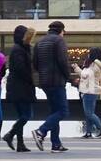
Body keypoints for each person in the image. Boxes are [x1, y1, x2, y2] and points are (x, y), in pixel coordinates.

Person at [31, 21, 73, 153]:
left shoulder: (40, 42)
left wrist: (44, 74)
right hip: (57, 81)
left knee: (55, 111)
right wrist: (69, 78)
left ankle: (56, 144)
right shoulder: (59, 41)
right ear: (61, 31)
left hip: (45, 82)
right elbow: (63, 62)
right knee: (63, 111)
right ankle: (41, 131)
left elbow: (35, 63)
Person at [2, 26, 35, 152]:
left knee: (22, 115)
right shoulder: (18, 50)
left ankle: (20, 144)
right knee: (27, 115)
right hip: (20, 87)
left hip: (18, 86)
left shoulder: (22, 48)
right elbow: (21, 69)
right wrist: (30, 79)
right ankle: (10, 135)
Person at [78, 47, 101, 138]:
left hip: (89, 90)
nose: (88, 54)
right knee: (89, 113)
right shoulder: (97, 65)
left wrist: (76, 68)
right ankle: (88, 132)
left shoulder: (94, 65)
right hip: (92, 90)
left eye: (89, 53)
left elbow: (85, 75)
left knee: (89, 113)